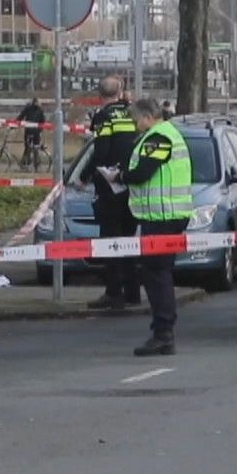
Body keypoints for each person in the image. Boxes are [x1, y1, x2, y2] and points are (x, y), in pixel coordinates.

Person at [97, 98, 193, 356]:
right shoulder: (165, 134)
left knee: (155, 273)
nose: (135, 124)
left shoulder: (159, 137)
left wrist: (119, 176)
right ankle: (164, 331)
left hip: (163, 217)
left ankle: (163, 333)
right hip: (166, 215)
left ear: (149, 116)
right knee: (159, 272)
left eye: (136, 119)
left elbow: (143, 173)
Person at [83, 76, 140, 311]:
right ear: (121, 92)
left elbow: (101, 151)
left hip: (110, 186)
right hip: (133, 183)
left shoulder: (104, 116)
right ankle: (133, 292)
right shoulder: (133, 113)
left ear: (100, 94)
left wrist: (84, 176)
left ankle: (113, 292)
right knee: (129, 240)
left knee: (111, 241)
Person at [17, 97, 46, 170]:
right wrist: (40, 130)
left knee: (28, 147)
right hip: (35, 131)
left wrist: (15, 123)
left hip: (30, 131)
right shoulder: (39, 109)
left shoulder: (29, 108)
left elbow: (21, 116)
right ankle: (34, 165)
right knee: (33, 147)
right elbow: (43, 121)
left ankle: (26, 163)